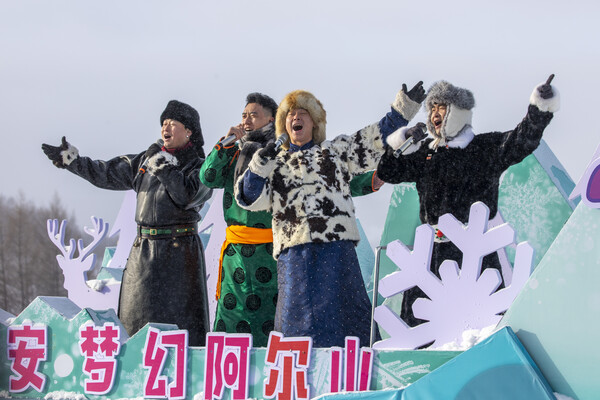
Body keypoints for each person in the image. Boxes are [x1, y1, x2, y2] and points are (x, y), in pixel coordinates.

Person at [234, 83, 425, 347]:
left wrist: (403, 110)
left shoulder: (334, 152)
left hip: (336, 251)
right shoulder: (275, 166)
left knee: (347, 319)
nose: (296, 117)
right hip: (295, 255)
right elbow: (249, 197)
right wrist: (259, 164)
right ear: (284, 125)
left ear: (314, 122)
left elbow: (371, 140)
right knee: (296, 325)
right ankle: (296, 368)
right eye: (290, 114)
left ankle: (358, 364)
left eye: (303, 113)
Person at [200, 93, 385, 346]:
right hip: (237, 255)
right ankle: (231, 365)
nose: (246, 121)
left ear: (271, 119)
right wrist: (224, 145)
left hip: (274, 249)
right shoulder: (236, 151)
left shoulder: (283, 152)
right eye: (244, 115)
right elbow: (208, 177)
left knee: (280, 321)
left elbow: (326, 182)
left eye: (253, 115)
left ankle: (282, 362)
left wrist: (369, 181)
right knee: (232, 320)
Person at [377, 75, 560, 327]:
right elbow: (388, 171)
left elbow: (521, 140)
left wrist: (539, 108)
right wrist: (404, 141)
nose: (435, 113)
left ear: (457, 111)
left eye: (442, 107)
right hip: (430, 254)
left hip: (473, 252)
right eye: (432, 108)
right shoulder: (426, 153)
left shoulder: (484, 148)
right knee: (421, 325)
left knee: (479, 326)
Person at [42, 100, 212, 346]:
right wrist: (72, 161)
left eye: (173, 123)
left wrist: (161, 165)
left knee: (182, 329)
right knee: (136, 326)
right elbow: (106, 172)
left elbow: (185, 195)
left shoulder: (201, 168)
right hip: (143, 252)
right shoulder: (145, 160)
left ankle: (181, 369)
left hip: (180, 254)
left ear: (189, 131)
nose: (165, 127)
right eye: (163, 123)